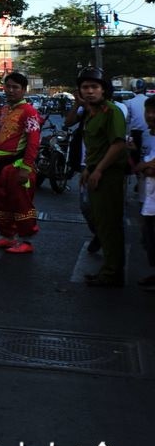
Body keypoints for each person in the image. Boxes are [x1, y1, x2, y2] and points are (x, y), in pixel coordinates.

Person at [77, 67, 130, 287]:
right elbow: (96, 147)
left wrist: (98, 170)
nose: (89, 91)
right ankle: (110, 268)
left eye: (94, 87)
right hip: (96, 173)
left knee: (110, 224)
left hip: (110, 175)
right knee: (102, 222)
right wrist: (89, 169)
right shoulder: (92, 114)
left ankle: (112, 273)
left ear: (103, 90)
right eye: (85, 87)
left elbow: (118, 144)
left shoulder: (112, 111)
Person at [0, 71, 42, 254]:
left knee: (21, 203)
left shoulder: (29, 112)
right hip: (0, 166)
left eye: (15, 87)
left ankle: (26, 240)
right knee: (1, 202)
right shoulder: (3, 110)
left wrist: (26, 167)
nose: (10, 90)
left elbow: (33, 142)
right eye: (7, 86)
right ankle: (8, 237)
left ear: (24, 90)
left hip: (18, 166)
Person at [135, 105, 155, 290]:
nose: (150, 115)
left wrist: (146, 166)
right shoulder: (147, 135)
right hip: (147, 197)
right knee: (148, 237)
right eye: (148, 111)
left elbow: (149, 167)